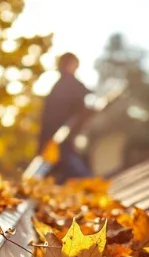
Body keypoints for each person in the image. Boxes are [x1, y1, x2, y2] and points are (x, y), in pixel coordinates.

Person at [38, 52, 93, 181]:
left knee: (67, 161)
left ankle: (86, 181)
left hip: (63, 134)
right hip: (61, 134)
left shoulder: (63, 85)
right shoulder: (67, 84)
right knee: (68, 161)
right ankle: (88, 181)